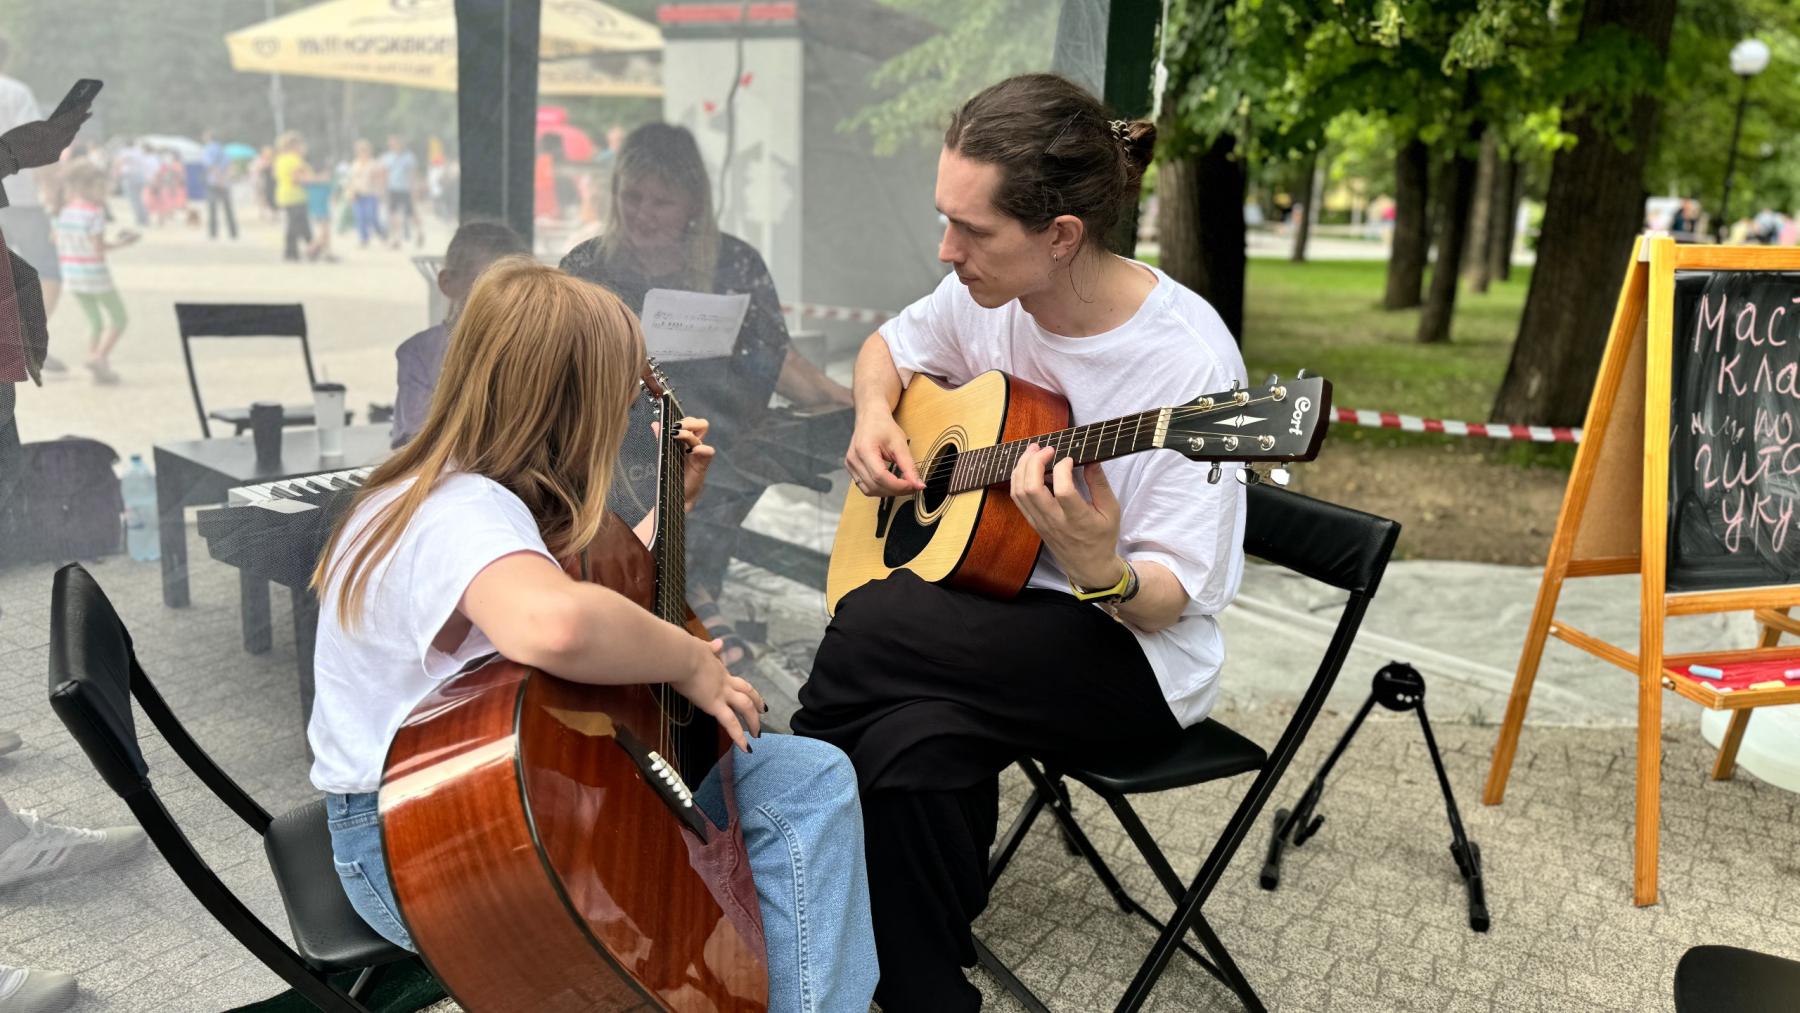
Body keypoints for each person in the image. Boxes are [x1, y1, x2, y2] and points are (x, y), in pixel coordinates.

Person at [789, 73, 1249, 1010]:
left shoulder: (1189, 369)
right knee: (915, 741)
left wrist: (1098, 568)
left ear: (1062, 236)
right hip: (983, 616)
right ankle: (924, 986)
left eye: (974, 231)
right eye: (944, 218)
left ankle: (774, 824)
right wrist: (877, 409)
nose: (947, 250)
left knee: (872, 622)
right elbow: (889, 344)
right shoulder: (985, 292)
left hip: (1129, 652)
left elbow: (1175, 597)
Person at [307, 257, 878, 1010]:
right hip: (437, 839)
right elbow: (559, 621)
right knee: (801, 791)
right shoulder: (462, 509)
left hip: (472, 804)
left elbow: (577, 608)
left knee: (806, 776)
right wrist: (692, 665)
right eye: (615, 400)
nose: (620, 424)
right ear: (572, 406)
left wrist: (669, 509)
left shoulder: (425, 489)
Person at [560, 123, 851, 674]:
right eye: (632, 196)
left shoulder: (732, 264)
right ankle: (704, 639)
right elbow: (552, 372)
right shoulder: (586, 266)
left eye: (661, 201)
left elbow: (777, 360)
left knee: (684, 552)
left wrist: (856, 404)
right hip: (609, 455)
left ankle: (695, 633)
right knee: (657, 571)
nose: (642, 213)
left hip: (714, 454)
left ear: (693, 203)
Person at [389, 220, 528, 448]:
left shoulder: (531, 349)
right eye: (487, 286)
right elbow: (416, 442)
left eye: (520, 288)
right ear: (447, 283)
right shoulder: (421, 353)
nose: (508, 300)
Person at [0, 36, 64, 372]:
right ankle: (31, 342)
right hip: (20, 198)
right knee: (47, 270)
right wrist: (52, 191)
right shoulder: (14, 92)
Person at [52, 164, 132, 383]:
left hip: (72, 275)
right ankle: (99, 357)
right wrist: (122, 244)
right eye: (101, 188)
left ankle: (98, 364)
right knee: (119, 319)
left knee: (94, 321)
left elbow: (56, 241)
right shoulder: (95, 213)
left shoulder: (65, 211)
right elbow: (98, 250)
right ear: (87, 187)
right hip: (95, 275)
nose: (104, 193)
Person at [273, 132, 324, 262]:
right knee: (298, 225)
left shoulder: (280, 159)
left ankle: (299, 251)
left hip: (284, 195)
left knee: (297, 224)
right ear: (295, 146)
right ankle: (301, 250)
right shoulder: (295, 160)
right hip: (296, 196)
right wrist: (318, 179)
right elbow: (298, 178)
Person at [381, 134, 421, 247]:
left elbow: (412, 175)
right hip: (392, 188)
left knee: (412, 213)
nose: (392, 145)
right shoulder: (387, 157)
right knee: (393, 214)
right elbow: (385, 174)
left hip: (406, 189)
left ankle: (419, 232)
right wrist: (383, 189)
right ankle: (396, 239)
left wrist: (414, 189)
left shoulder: (409, 157)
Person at [347, 139, 387, 249]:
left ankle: (382, 232)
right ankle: (364, 239)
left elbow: (381, 178)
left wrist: (380, 190)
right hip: (358, 193)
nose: (362, 153)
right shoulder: (355, 164)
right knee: (360, 217)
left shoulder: (373, 164)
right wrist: (350, 192)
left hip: (371, 194)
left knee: (371, 217)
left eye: (364, 150)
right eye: (360, 151)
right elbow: (351, 180)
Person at [200, 130, 237, 240]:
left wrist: (219, 178)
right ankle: (233, 233)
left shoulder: (207, 150)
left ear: (209, 137)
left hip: (213, 182)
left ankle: (213, 233)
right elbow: (229, 165)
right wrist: (225, 179)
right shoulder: (222, 149)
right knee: (228, 209)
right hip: (225, 183)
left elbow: (211, 166)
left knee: (212, 209)